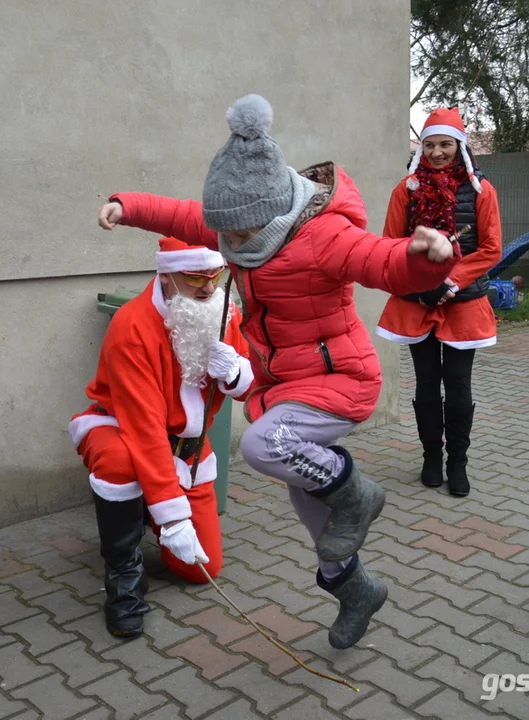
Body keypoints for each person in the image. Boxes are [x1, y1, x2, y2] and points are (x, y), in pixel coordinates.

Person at [97, 94, 459, 649]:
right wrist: (127, 205)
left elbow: (379, 260)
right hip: (288, 384)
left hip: (342, 379)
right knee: (302, 489)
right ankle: (353, 586)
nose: (232, 249)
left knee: (263, 446)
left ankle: (358, 494)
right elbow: (178, 214)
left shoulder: (323, 235)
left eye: (242, 238)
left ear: (271, 215)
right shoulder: (233, 227)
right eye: (227, 239)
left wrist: (422, 255)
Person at [69, 237, 253, 638]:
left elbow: (244, 387)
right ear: (166, 275)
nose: (208, 288)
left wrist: (235, 373)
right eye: (194, 277)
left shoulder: (221, 311)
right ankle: (124, 579)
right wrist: (173, 515)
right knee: (119, 462)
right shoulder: (132, 325)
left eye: (216, 275)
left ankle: (148, 510)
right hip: (120, 429)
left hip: (187, 449)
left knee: (204, 570)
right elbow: (144, 427)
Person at [376, 107, 502, 497]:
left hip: (463, 301)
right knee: (427, 383)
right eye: (429, 144)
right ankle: (431, 457)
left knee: (458, 384)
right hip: (417, 301)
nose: (437, 152)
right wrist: (420, 282)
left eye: (445, 144)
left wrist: (449, 280)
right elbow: (391, 244)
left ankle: (457, 462)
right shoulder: (406, 190)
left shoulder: (482, 189)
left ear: (459, 146)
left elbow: (490, 248)